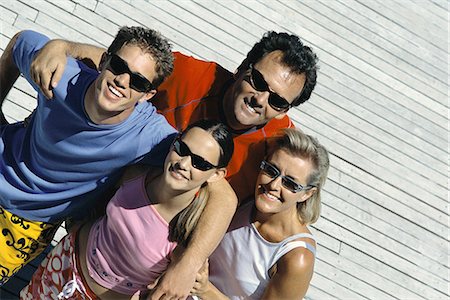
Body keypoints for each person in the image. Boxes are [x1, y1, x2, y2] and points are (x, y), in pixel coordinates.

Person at [28, 31, 319, 298]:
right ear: (243, 66)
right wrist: (63, 47)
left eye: (278, 101)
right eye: (258, 82)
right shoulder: (192, 76)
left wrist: (188, 265)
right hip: (103, 213)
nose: (260, 99)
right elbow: (120, 67)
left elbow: (273, 199)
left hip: (155, 271)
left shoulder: (273, 149)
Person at [0, 26, 178, 285]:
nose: (122, 81)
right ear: (104, 61)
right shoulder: (61, 74)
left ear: (147, 95)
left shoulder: (150, 135)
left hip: (25, 225)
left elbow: (216, 187)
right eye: (118, 66)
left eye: (138, 81)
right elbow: (20, 43)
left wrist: (189, 260)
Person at [20, 120, 234, 300]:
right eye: (182, 149)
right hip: (63, 262)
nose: (184, 164)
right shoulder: (137, 173)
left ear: (216, 175)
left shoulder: (191, 234)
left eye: (200, 163)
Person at [190, 128, 329, 299]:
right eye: (271, 170)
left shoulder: (296, 257)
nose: (274, 185)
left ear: (307, 194)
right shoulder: (243, 200)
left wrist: (205, 290)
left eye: (290, 183)